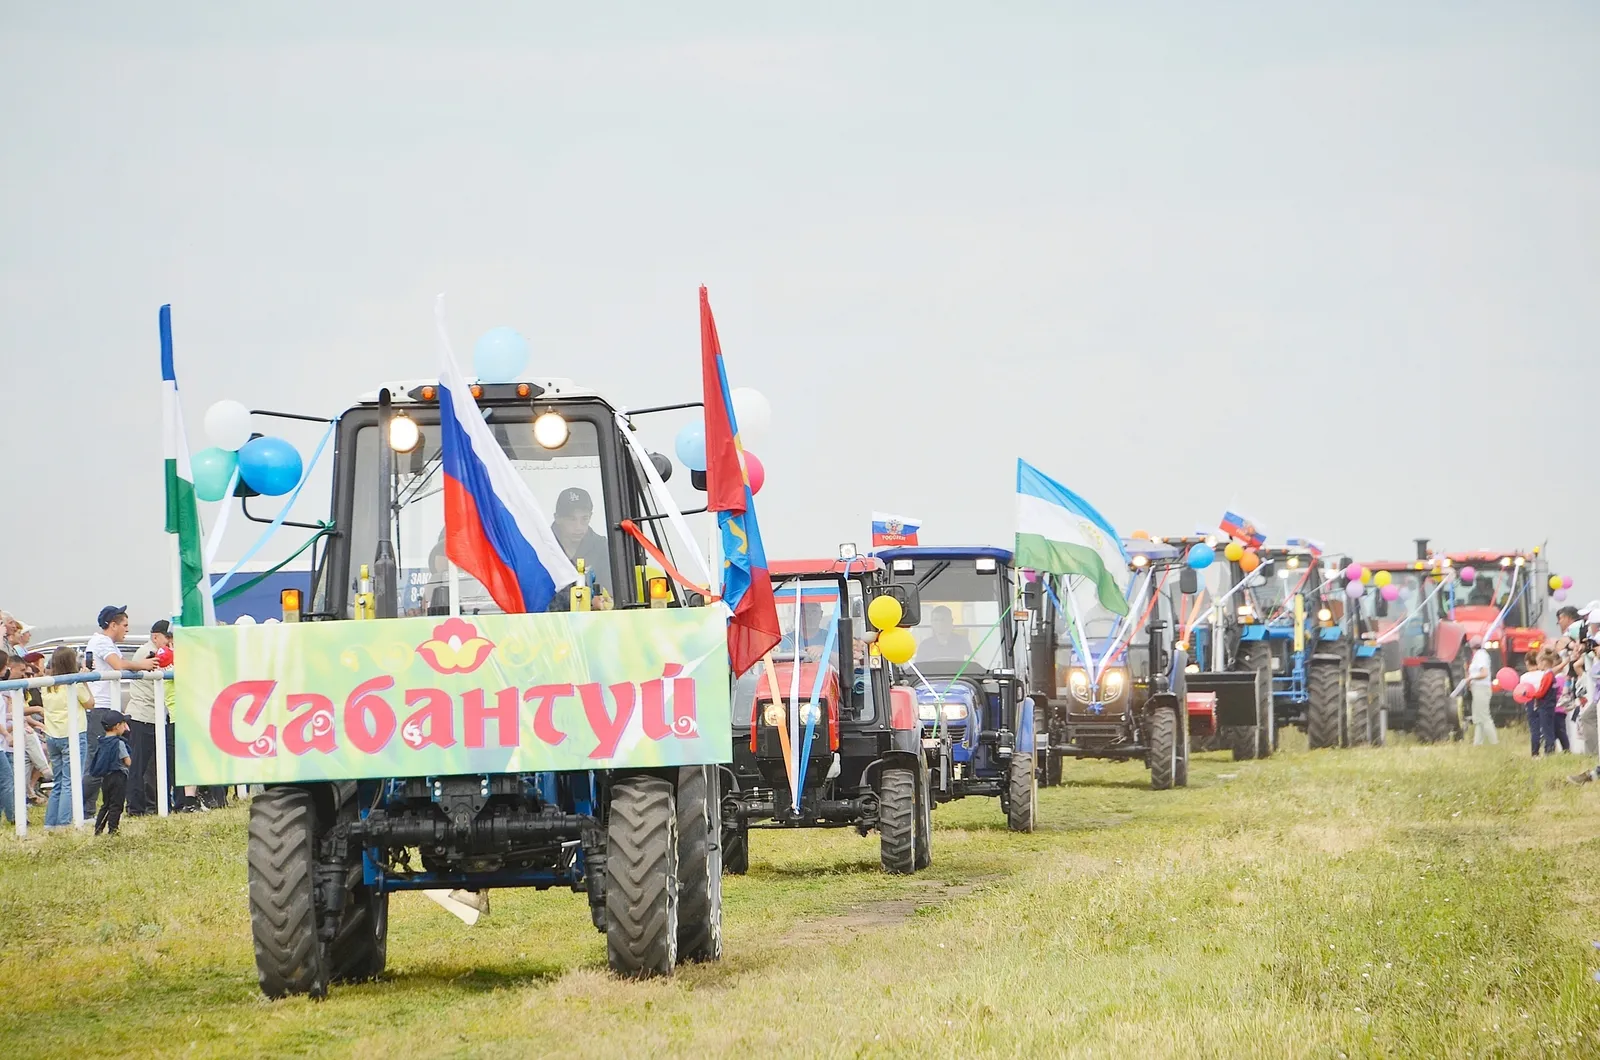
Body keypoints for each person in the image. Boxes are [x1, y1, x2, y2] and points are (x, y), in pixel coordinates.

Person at [124, 620, 173, 816]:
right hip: (143, 715)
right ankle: (135, 808)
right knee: (139, 765)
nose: (170, 642)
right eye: (167, 637)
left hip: (155, 716)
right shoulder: (148, 654)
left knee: (153, 766)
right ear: (155, 637)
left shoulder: (160, 653)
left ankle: (154, 805)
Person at [40, 646, 93, 829]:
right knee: (71, 781)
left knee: (59, 782)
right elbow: (90, 703)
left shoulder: (47, 685)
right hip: (73, 734)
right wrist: (84, 679)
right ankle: (64, 823)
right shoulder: (74, 683)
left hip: (52, 735)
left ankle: (50, 823)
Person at [550, 487, 613, 598]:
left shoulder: (602, 547)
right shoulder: (542, 548)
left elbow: (610, 591)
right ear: (557, 518)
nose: (579, 527)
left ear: (591, 516)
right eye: (572, 519)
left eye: (584, 519)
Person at [89, 711, 131, 835]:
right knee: (116, 805)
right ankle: (113, 829)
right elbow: (127, 761)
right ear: (117, 726)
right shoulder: (119, 743)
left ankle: (98, 829)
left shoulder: (102, 741)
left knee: (106, 804)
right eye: (124, 724)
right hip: (118, 776)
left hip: (106, 778)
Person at [1523, 650, 1557, 757]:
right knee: (1547, 728)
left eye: (1539, 662)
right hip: (1547, 705)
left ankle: (1549, 750)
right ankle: (1548, 749)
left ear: (1544, 662)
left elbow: (1542, 691)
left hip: (1545, 705)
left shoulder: (1548, 675)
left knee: (1546, 729)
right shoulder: (1547, 675)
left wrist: (1531, 695)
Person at [1466, 636, 1498, 745]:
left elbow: (1484, 673)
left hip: (1481, 688)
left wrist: (1471, 678)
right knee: (1478, 718)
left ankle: (1494, 742)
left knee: (1484, 716)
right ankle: (1477, 743)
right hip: (1478, 688)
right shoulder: (1479, 656)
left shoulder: (1480, 656)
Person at [1544, 646, 1572, 753]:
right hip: (1558, 710)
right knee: (1558, 731)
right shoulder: (1562, 678)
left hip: (1557, 710)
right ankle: (1562, 749)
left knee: (1559, 732)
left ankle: (1565, 749)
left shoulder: (1558, 679)